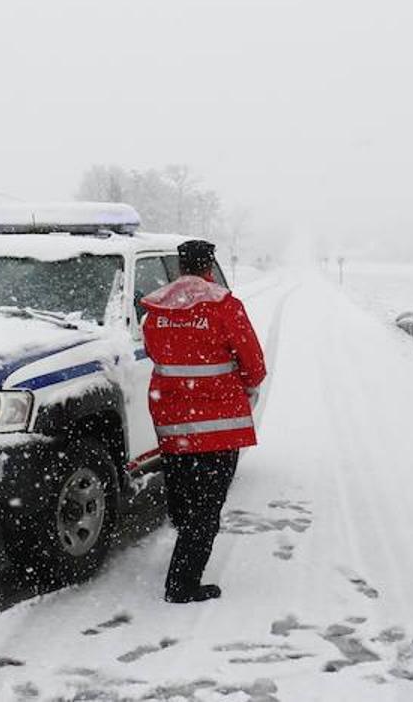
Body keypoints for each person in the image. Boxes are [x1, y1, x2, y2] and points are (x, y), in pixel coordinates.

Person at [140, 239, 266, 603]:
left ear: (180, 267)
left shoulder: (156, 308)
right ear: (209, 266)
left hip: (171, 420)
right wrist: (238, 384)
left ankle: (184, 543)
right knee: (207, 509)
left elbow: (153, 351)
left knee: (183, 496)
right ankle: (182, 584)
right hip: (218, 426)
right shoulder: (224, 306)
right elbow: (254, 365)